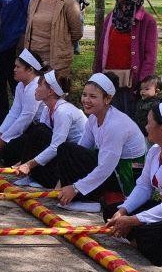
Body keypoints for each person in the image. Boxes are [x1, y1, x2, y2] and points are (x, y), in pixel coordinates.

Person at [106, 99, 162, 266]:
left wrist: (133, 221)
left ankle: (139, 236)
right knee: (112, 211)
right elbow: (144, 186)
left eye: (149, 122)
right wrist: (124, 211)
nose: (145, 127)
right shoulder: (154, 151)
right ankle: (137, 235)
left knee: (156, 236)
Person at [53, 73, 146, 215]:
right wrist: (62, 181)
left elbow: (106, 168)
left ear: (107, 99)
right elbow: (80, 149)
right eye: (84, 95)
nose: (86, 100)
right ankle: (72, 196)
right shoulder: (93, 118)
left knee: (68, 149)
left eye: (93, 96)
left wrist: (75, 187)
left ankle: (91, 200)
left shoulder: (115, 125)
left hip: (124, 174)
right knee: (66, 149)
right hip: (111, 166)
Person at [11, 71, 87, 189]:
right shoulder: (47, 109)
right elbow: (39, 140)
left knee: (42, 133)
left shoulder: (63, 112)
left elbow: (57, 146)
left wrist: (29, 164)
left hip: (76, 157)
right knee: (38, 131)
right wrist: (24, 161)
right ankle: (34, 176)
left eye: (40, 85)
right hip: (63, 150)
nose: (36, 89)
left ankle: (45, 179)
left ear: (50, 92)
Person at [93, 0, 157, 116]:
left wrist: (143, 82)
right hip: (108, 78)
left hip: (131, 83)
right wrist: (96, 74)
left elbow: (150, 55)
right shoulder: (111, 17)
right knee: (108, 118)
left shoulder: (147, 21)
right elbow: (101, 48)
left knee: (129, 118)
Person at [24, 0, 82, 79]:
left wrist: (61, 44)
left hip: (56, 64)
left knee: (52, 95)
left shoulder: (69, 4)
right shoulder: (34, 1)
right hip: (32, 62)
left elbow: (77, 34)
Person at [0, 49, 46, 164]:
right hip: (31, 126)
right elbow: (14, 112)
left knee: (10, 151)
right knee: (1, 150)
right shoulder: (21, 86)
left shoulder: (35, 87)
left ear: (30, 70)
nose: (14, 70)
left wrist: (5, 138)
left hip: (42, 130)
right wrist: (0, 133)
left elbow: (26, 117)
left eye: (18, 67)